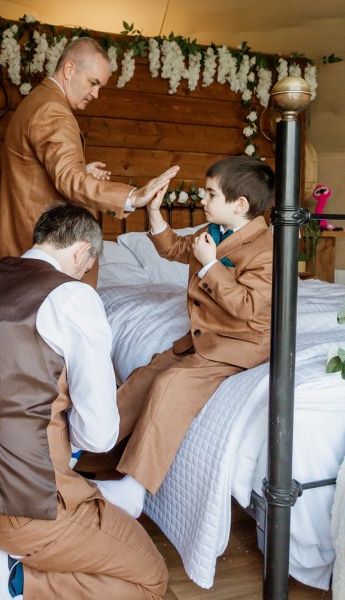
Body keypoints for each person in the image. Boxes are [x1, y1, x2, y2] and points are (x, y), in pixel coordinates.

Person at [0, 203, 168, 600]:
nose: (85, 275)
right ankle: (8, 582)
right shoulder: (72, 297)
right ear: (83, 252)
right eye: (88, 266)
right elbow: (99, 436)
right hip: (24, 508)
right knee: (151, 580)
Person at [92, 155, 275, 518]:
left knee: (172, 384)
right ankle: (86, 454)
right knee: (144, 377)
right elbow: (175, 249)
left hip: (240, 346)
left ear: (239, 204)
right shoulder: (214, 233)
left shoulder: (266, 249)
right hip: (206, 340)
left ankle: (134, 489)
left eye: (209, 194)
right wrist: (156, 213)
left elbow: (248, 308)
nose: (202, 200)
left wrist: (209, 265)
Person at [0, 36, 179, 285]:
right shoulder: (53, 110)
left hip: (21, 251)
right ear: (69, 69)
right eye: (93, 82)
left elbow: (37, 172)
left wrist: (82, 171)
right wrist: (132, 197)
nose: (96, 94)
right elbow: (70, 180)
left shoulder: (37, 100)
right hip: (43, 258)